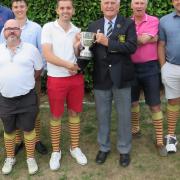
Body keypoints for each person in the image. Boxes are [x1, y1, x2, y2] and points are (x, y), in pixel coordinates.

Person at [88, 0, 137, 167]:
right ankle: (104, 147)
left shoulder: (128, 23)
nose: (109, 6)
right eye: (106, 3)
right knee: (102, 114)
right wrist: (77, 48)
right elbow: (88, 51)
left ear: (119, 5)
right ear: (101, 5)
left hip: (122, 76)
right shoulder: (93, 25)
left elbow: (131, 47)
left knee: (124, 115)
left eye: (113, 3)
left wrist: (107, 42)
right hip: (101, 76)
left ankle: (124, 149)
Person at [41, 0, 87, 171]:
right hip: (56, 78)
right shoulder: (48, 27)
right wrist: (68, 65)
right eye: (62, 8)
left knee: (74, 112)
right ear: (57, 10)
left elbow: (79, 54)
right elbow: (47, 54)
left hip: (75, 78)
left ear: (73, 11)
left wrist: (77, 46)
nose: (65, 10)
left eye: (68, 8)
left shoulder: (78, 31)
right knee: (55, 115)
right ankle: (56, 151)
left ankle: (74, 147)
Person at [0, 19, 43, 175]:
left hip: (27, 98)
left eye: (15, 28)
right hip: (5, 99)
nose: (12, 31)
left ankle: (30, 158)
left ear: (21, 31)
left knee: (29, 129)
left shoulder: (31, 49)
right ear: (4, 32)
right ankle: (10, 157)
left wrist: (24, 81)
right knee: (9, 130)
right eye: (8, 29)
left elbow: (38, 69)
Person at [4, 0, 47, 156]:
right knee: (13, 112)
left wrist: (38, 75)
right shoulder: (5, 28)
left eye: (22, 6)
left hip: (33, 78)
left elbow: (42, 53)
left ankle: (35, 140)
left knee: (33, 110)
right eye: (16, 6)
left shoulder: (36, 28)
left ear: (27, 7)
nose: (19, 9)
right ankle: (17, 141)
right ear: (12, 9)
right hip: (13, 80)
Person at [130, 0, 167, 156]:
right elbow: (121, 41)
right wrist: (152, 38)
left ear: (146, 5)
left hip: (150, 68)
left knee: (155, 104)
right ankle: (135, 129)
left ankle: (159, 141)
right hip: (130, 68)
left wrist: (142, 39)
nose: (139, 6)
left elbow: (142, 40)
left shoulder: (153, 20)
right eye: (136, 2)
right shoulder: (126, 22)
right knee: (133, 102)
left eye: (142, 3)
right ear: (131, 5)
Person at [158, 0, 180, 153]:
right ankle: (171, 136)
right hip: (171, 68)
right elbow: (161, 44)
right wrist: (163, 67)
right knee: (173, 101)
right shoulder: (164, 20)